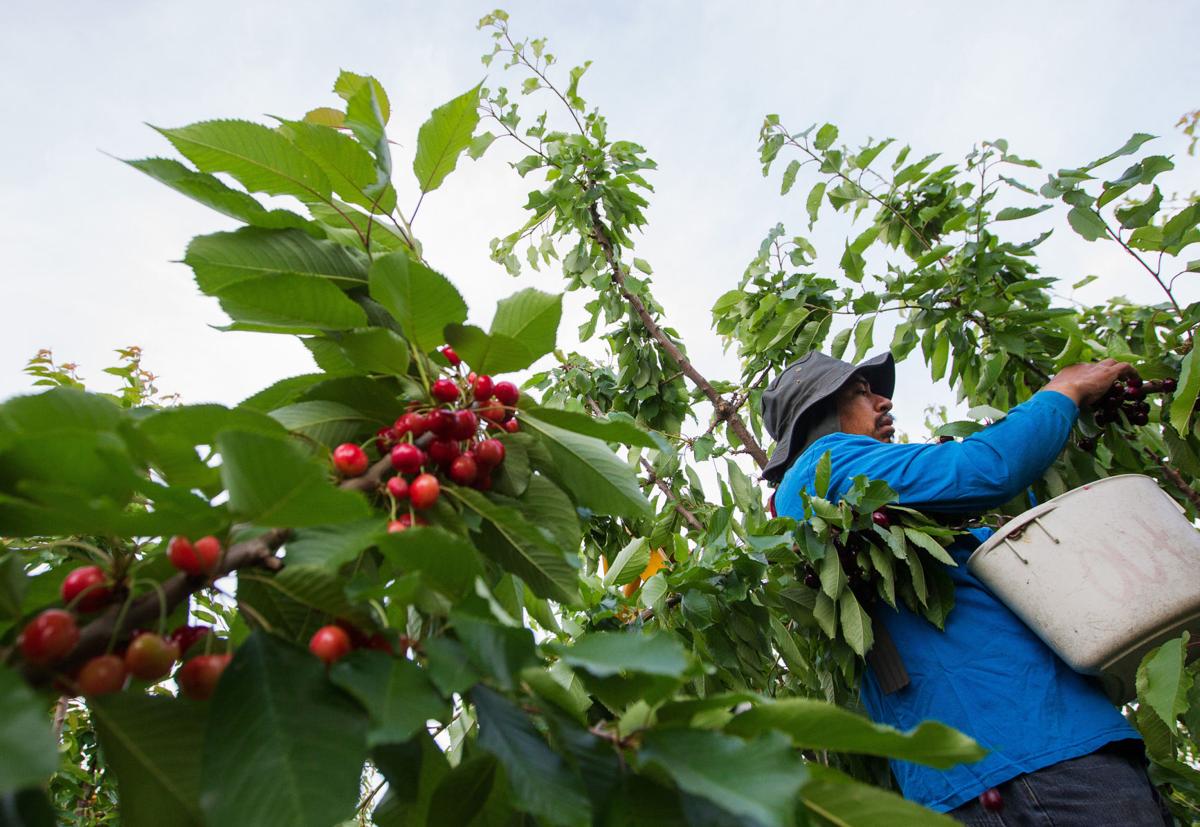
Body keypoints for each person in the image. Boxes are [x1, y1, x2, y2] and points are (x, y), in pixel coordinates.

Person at [763, 350, 1173, 825]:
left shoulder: (871, 518)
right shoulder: (826, 465)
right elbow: (986, 467)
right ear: (819, 416)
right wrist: (1063, 391)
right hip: (1037, 762)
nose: (884, 402)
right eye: (860, 391)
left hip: (982, 782)